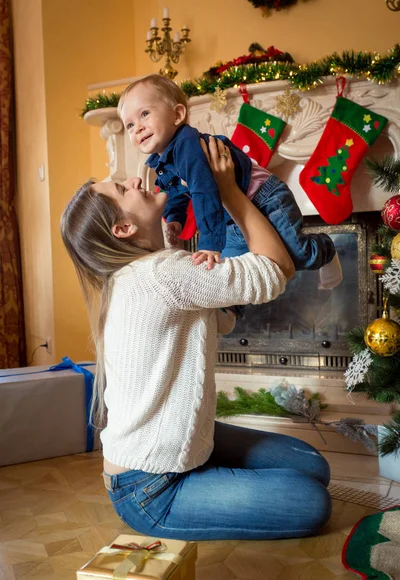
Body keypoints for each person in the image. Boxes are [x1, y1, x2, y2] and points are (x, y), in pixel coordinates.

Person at [61, 136, 332, 541]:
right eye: (122, 189)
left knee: (312, 465)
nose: (136, 181)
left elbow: (219, 320)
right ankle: (202, 489)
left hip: (185, 448)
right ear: (123, 228)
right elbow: (276, 269)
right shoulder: (161, 274)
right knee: (312, 501)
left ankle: (211, 477)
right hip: (151, 490)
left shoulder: (140, 275)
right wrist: (229, 192)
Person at [118, 74, 342, 289]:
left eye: (145, 114)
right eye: (129, 125)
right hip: (231, 218)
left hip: (265, 198)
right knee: (232, 275)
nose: (137, 127)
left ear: (177, 115)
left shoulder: (188, 146)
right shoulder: (162, 161)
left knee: (297, 255)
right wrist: (176, 220)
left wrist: (208, 243)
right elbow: (175, 193)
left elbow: (204, 191)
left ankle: (326, 248)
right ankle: (229, 318)